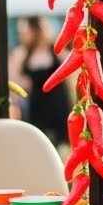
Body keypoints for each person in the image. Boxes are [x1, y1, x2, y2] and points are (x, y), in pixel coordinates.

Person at [11, 16, 71, 147]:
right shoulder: (22, 54)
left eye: (26, 32)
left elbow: (70, 70)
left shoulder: (55, 51)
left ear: (36, 31)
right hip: (37, 109)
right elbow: (16, 80)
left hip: (57, 108)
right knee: (40, 143)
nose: (23, 36)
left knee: (59, 147)